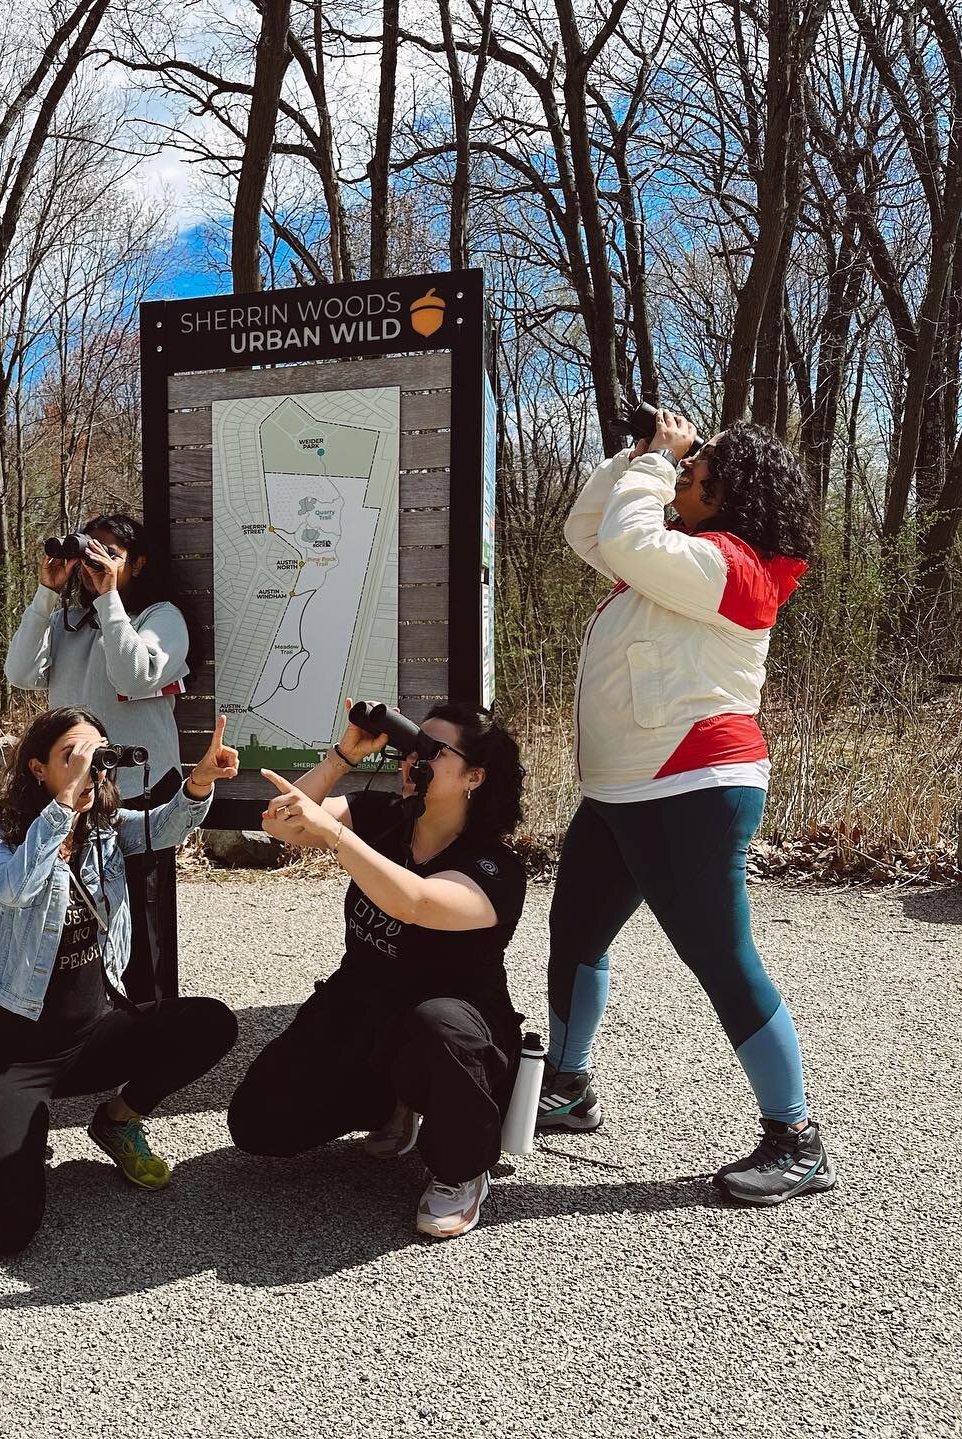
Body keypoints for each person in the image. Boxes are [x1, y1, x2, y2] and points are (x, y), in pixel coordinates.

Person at [544, 408, 835, 1206]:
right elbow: (588, 529)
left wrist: (654, 465)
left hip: (691, 784)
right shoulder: (681, 556)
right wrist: (639, 456)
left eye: (694, 475)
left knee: (721, 957)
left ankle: (797, 1138)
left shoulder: (735, 566)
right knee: (575, 933)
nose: (680, 479)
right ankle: (567, 1088)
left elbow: (630, 540)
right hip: (621, 786)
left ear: (729, 497)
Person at [226, 701, 527, 1241]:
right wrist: (342, 757)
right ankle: (394, 1102)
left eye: (434, 753)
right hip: (363, 1006)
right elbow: (279, 827)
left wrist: (337, 836)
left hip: (448, 1030)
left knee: (439, 1027)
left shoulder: (494, 867)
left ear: (474, 778)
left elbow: (414, 901)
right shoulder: (384, 815)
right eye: (412, 748)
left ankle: (462, 1170)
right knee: (257, 1125)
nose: (414, 761)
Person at [0, 707, 240, 1254]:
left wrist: (200, 781)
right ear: (38, 769)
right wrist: (62, 808)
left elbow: (165, 829)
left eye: (98, 757)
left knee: (210, 1024)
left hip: (91, 1039)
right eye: (73, 759)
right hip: (14, 1057)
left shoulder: (107, 830)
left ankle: (117, 1120)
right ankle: (22, 1120)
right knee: (7, 1234)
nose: (91, 771)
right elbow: (13, 889)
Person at [4, 514, 189, 1004]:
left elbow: (133, 677)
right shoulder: (67, 621)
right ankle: (88, 1018)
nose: (96, 563)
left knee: (142, 915)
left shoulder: (161, 619)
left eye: (112, 554)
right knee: (77, 911)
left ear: (140, 563)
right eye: (91, 553)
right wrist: (48, 595)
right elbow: (21, 673)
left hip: (140, 790)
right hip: (76, 793)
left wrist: (109, 600)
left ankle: (149, 1021)